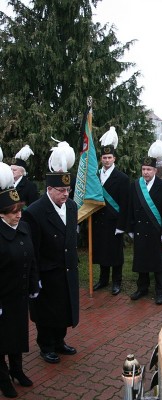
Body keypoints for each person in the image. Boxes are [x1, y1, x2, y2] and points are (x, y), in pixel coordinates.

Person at [23, 145, 79, 365]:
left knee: (64, 308)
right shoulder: (34, 212)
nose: (65, 194)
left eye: (68, 190)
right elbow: (33, 250)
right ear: (49, 189)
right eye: (61, 190)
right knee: (47, 312)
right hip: (47, 272)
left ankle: (59, 341)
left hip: (67, 269)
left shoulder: (72, 207)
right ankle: (46, 346)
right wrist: (34, 278)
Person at [0, 163, 39, 398]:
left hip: (19, 295)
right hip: (2, 298)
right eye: (13, 212)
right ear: (1, 214)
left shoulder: (23, 227)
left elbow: (31, 259)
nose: (19, 215)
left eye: (20, 210)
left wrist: (34, 284)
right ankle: (3, 379)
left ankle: (17, 370)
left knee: (17, 335)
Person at [129, 155, 162, 305]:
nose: (146, 172)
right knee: (141, 260)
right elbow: (131, 207)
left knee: (158, 262)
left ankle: (160, 291)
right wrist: (131, 228)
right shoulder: (136, 185)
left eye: (149, 169)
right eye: (143, 169)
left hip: (156, 231)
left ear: (155, 170)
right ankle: (142, 288)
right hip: (140, 229)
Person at [92, 127, 130, 296]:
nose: (107, 160)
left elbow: (125, 204)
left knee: (115, 254)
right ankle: (103, 279)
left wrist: (122, 225)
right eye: (104, 157)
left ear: (114, 158)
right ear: (101, 159)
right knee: (101, 251)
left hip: (114, 222)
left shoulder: (122, 178)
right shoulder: (95, 176)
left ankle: (116, 281)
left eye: (109, 157)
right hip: (99, 220)